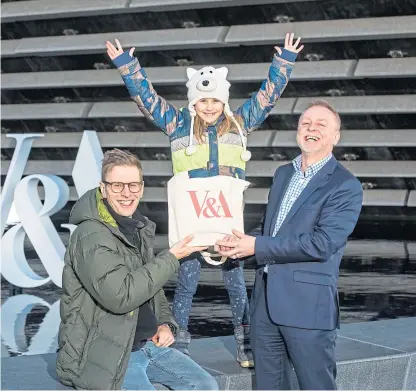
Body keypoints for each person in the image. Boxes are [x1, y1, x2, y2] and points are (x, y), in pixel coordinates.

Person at [105, 33, 304, 367]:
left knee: (236, 285)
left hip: (227, 222)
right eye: (202, 101)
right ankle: (180, 344)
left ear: (223, 101)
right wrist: (128, 66)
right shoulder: (178, 124)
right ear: (193, 103)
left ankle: (246, 344)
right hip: (191, 222)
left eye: (214, 101)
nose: (209, 107)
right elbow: (148, 98)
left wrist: (283, 62)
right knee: (186, 285)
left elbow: (267, 98)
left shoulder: (240, 124)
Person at [216, 100, 363, 390]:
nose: (311, 129)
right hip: (265, 306)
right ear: (297, 132)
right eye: (306, 123)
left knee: (315, 385)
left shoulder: (346, 185)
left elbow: (322, 244)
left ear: (336, 136)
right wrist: (237, 243)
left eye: (321, 125)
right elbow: (272, 228)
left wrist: (256, 246)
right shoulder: (284, 174)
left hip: (307, 308)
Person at [56, 149, 218, 391]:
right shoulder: (91, 235)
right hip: (103, 354)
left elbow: (153, 289)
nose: (126, 193)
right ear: (103, 188)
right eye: (117, 185)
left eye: (133, 185)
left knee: (205, 386)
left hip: (146, 344)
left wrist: (165, 324)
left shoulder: (136, 227)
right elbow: (120, 297)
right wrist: (172, 257)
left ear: (141, 188)